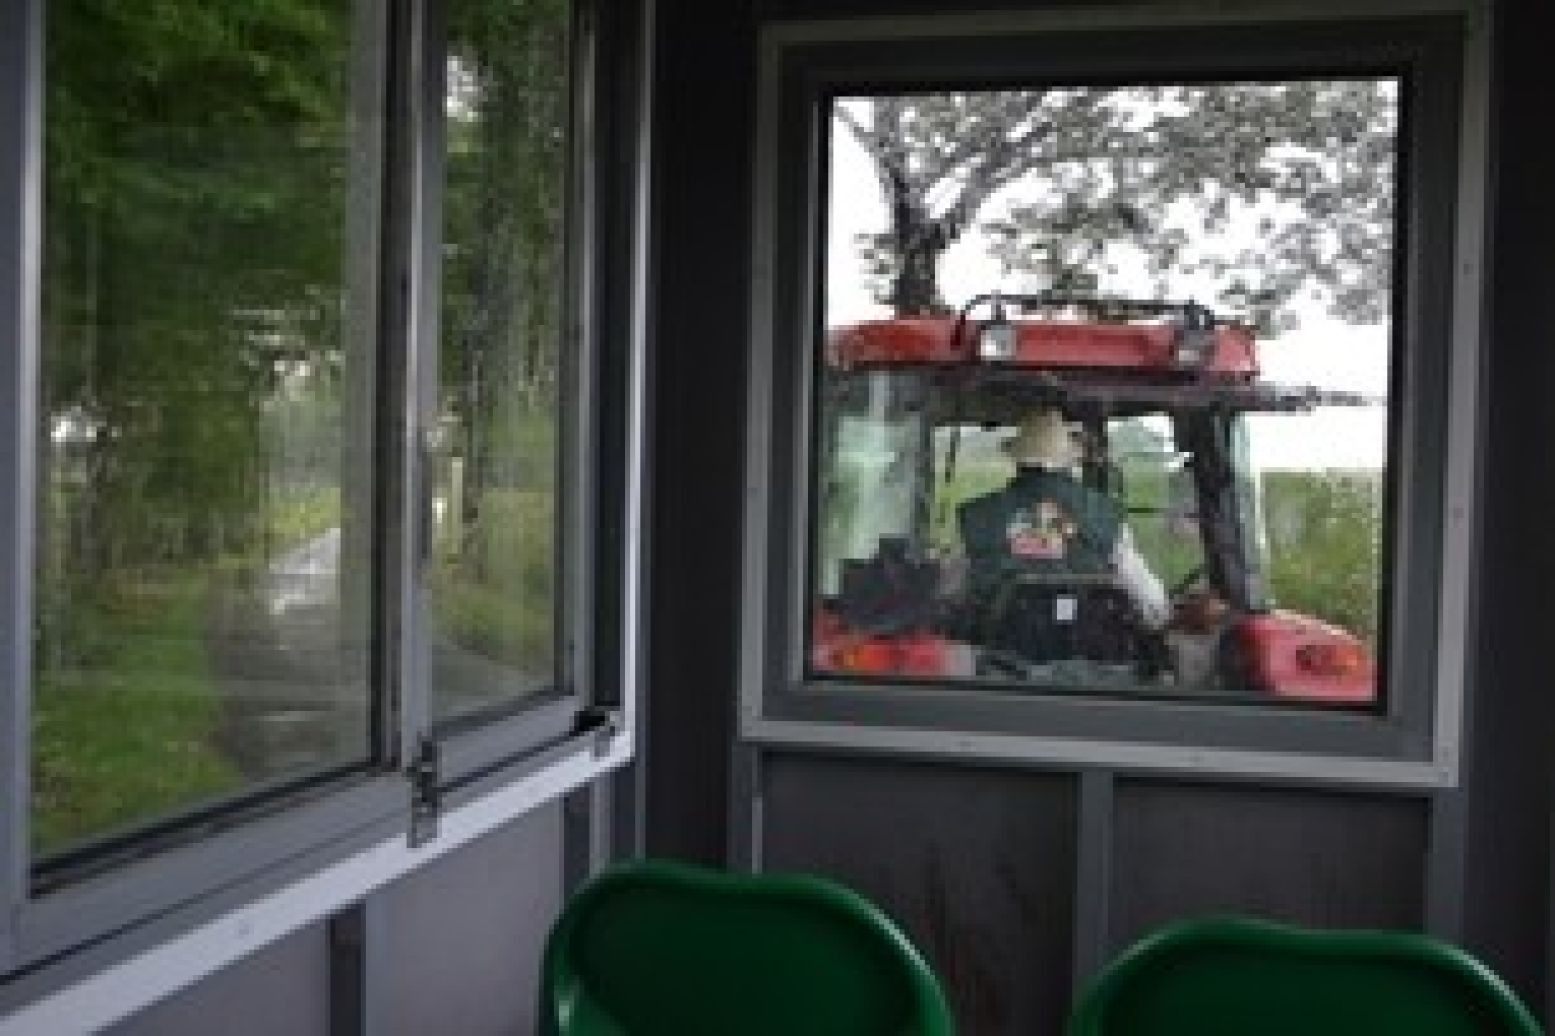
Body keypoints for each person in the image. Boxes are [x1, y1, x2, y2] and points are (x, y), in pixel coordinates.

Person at [956, 408, 1169, 664]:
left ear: (1018, 460)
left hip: (999, 671)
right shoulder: (1104, 515)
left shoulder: (979, 516)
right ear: (1070, 461)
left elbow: (954, 593)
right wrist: (1160, 619)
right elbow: (1150, 600)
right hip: (1090, 668)